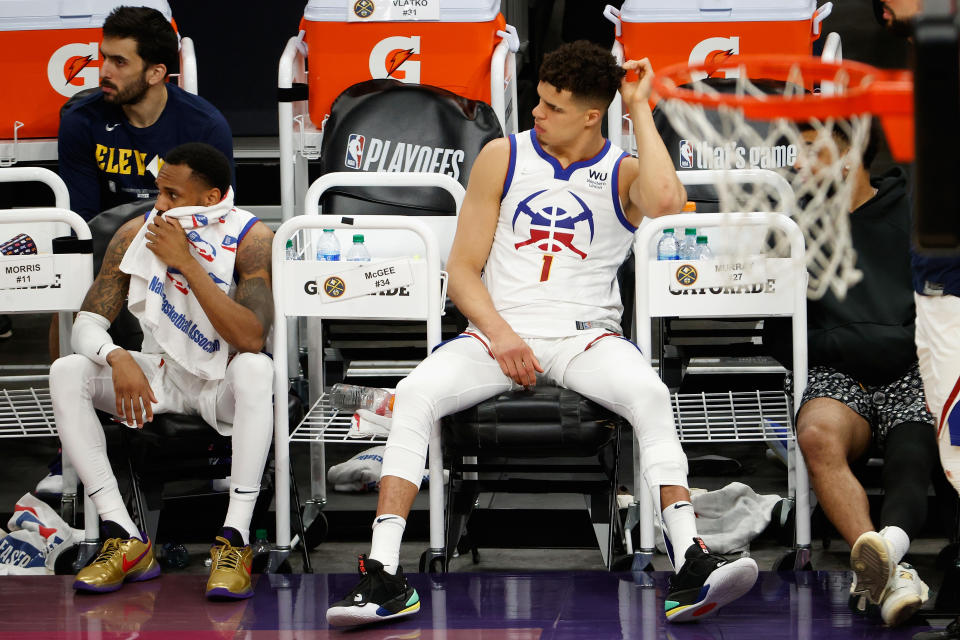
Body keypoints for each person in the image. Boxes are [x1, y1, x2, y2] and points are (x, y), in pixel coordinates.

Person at [325, 40, 759, 629]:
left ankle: (689, 563)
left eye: (553, 106)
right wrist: (502, 336)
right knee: (417, 393)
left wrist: (638, 108)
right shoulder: (501, 156)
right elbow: (461, 272)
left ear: (590, 114)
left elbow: (665, 201)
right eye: (537, 100)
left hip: (586, 336)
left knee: (654, 396)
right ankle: (383, 575)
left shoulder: (625, 171)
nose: (537, 113)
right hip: (498, 332)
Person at [50, 142, 274, 600]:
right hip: (160, 375)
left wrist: (187, 263)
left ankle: (235, 540)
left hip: (219, 383)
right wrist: (117, 357)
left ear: (212, 198)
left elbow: (250, 337)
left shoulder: (252, 239)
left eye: (173, 195)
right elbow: (86, 325)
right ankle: (123, 535)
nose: (161, 205)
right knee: (67, 371)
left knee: (256, 368)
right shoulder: (138, 232)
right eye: (159, 192)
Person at [766, 123, 937, 627]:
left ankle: (885, 555)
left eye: (808, 151)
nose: (796, 163)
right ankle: (892, 576)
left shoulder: (915, 215)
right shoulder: (792, 227)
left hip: (912, 368)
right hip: (836, 372)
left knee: (912, 455)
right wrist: (847, 342)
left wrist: (889, 343)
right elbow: (778, 335)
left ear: (851, 156)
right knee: (816, 434)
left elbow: (941, 310)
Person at [57, 6, 234, 222]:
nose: (104, 71)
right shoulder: (80, 121)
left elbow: (218, 216)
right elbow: (82, 224)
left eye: (119, 62)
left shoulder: (206, 127)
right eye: (105, 58)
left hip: (183, 242)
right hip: (106, 247)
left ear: (155, 73)